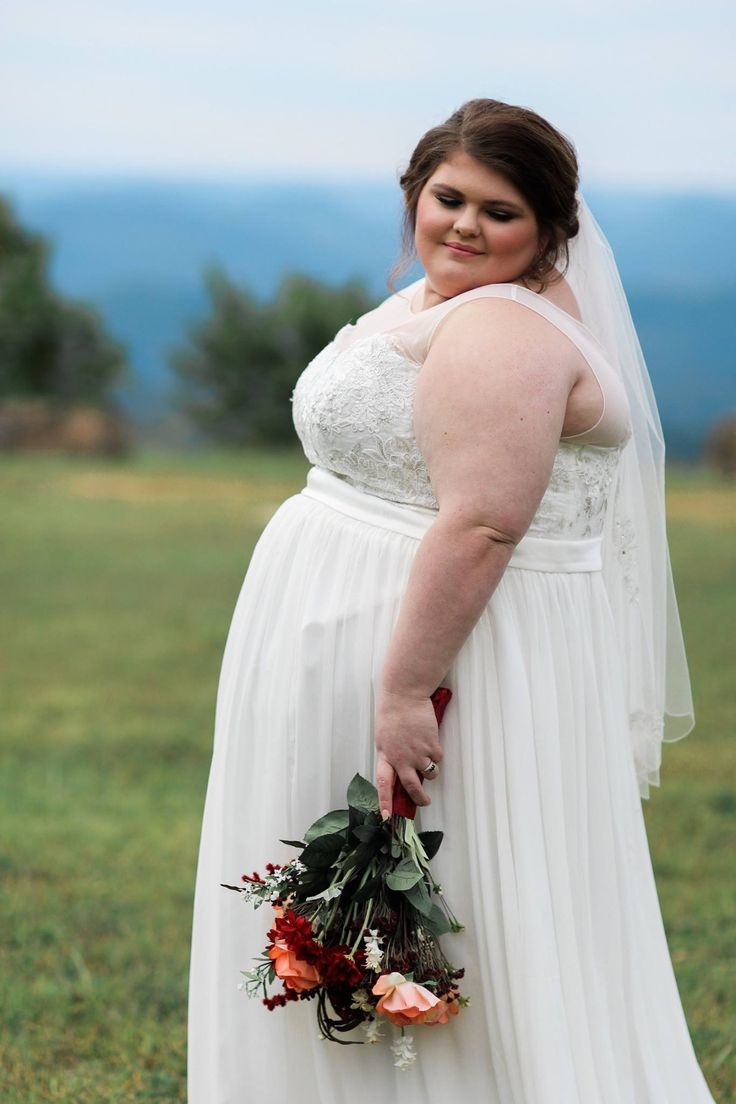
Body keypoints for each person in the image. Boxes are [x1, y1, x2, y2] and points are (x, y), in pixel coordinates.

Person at [187, 98, 717, 1102]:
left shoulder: (501, 330)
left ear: (549, 227)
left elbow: (481, 525)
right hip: (362, 620)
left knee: (444, 890)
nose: (466, 227)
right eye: (449, 198)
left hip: (422, 648)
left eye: (501, 211)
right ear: (413, 195)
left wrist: (400, 694)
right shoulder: (449, 298)